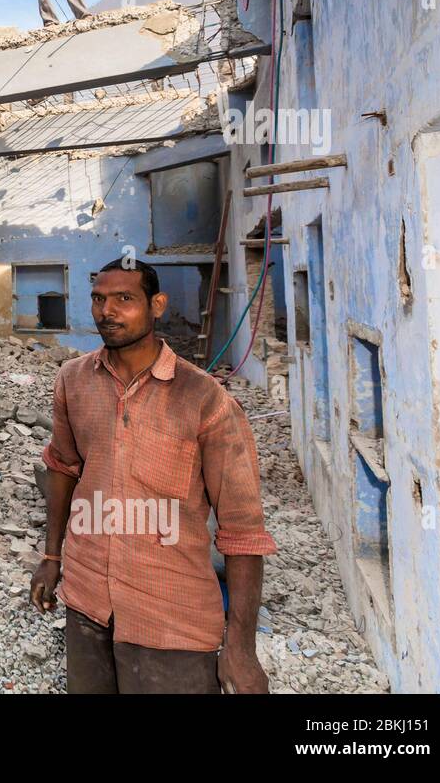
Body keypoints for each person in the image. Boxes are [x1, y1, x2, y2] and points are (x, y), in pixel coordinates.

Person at [30, 258, 277, 693]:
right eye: (99, 299)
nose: (107, 311)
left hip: (172, 619)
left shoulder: (205, 399)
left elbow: (243, 532)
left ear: (157, 305)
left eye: (125, 299)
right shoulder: (73, 381)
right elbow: (63, 468)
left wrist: (240, 646)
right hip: (87, 603)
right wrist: (52, 558)